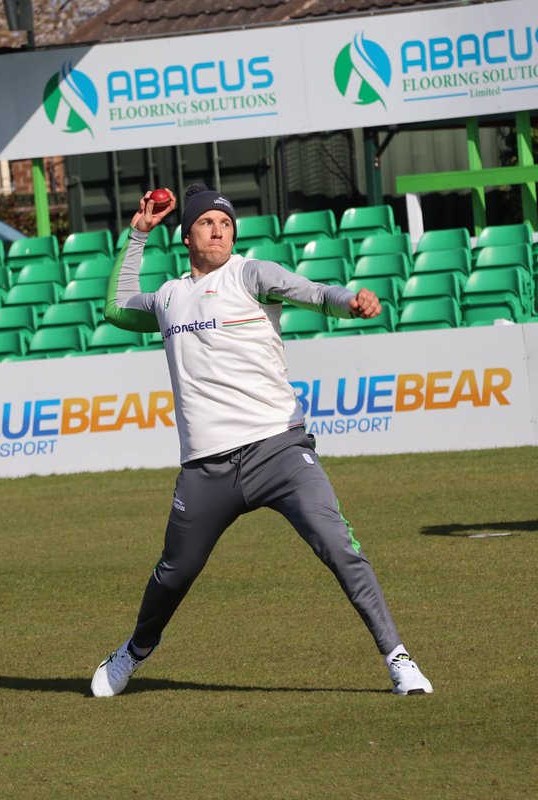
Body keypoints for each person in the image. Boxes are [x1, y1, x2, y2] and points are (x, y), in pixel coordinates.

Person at [90, 183, 432, 696]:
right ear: (186, 235)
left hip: (280, 451)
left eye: (227, 223)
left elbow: (313, 293)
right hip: (206, 468)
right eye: (207, 222)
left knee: (341, 549)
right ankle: (134, 651)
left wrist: (350, 303)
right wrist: (137, 235)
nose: (220, 230)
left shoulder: (250, 274)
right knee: (174, 573)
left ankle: (398, 658)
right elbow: (116, 309)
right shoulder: (168, 297)